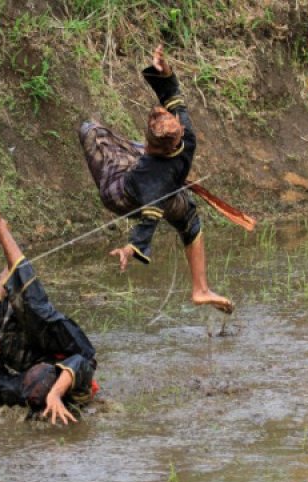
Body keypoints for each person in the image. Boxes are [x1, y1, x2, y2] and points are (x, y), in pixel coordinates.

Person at [78, 44, 233, 314]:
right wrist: (165, 72)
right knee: (189, 218)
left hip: (122, 193)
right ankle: (201, 288)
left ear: (154, 147)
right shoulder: (187, 137)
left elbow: (149, 220)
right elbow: (174, 96)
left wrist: (130, 248)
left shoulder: (149, 176)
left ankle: (200, 290)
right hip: (161, 182)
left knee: (90, 131)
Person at [0, 207, 98, 425]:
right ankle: (0, 229)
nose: (35, 373)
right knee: (35, 307)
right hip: (66, 344)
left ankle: (12, 268)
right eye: (40, 373)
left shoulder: (21, 388)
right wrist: (55, 394)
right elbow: (80, 362)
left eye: (30, 376)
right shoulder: (78, 385)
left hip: (29, 352)